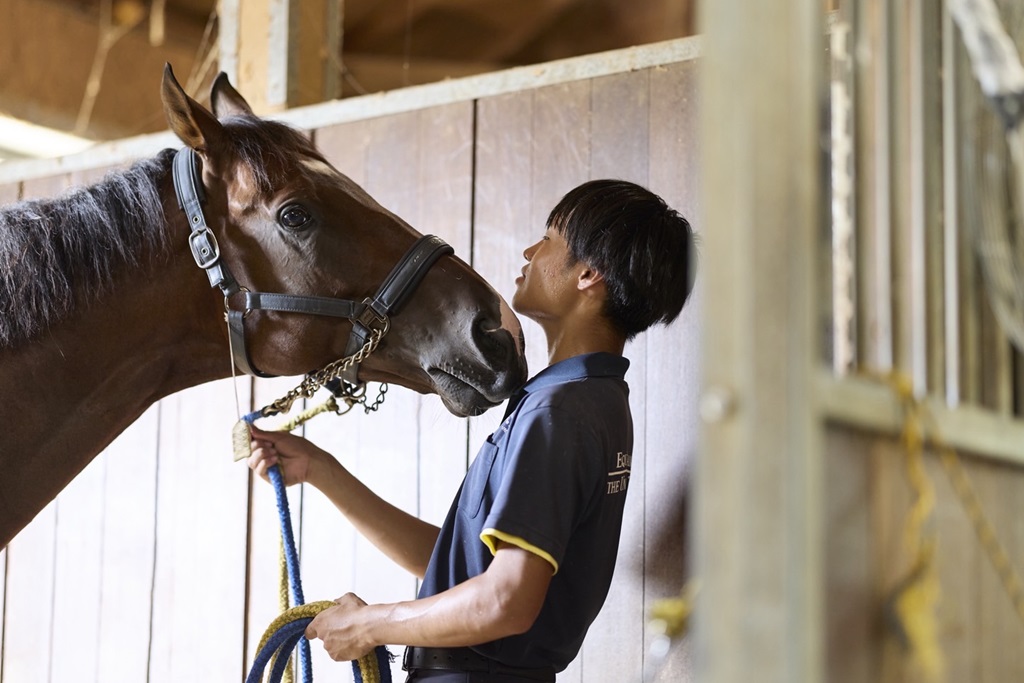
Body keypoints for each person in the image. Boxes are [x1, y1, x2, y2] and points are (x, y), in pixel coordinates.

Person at [248, 178, 697, 682]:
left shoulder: (558, 413)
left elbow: (505, 600)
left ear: (589, 273)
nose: (531, 251)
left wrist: (371, 626)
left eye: (549, 238)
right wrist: (321, 470)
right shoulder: (590, 400)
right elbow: (466, 571)